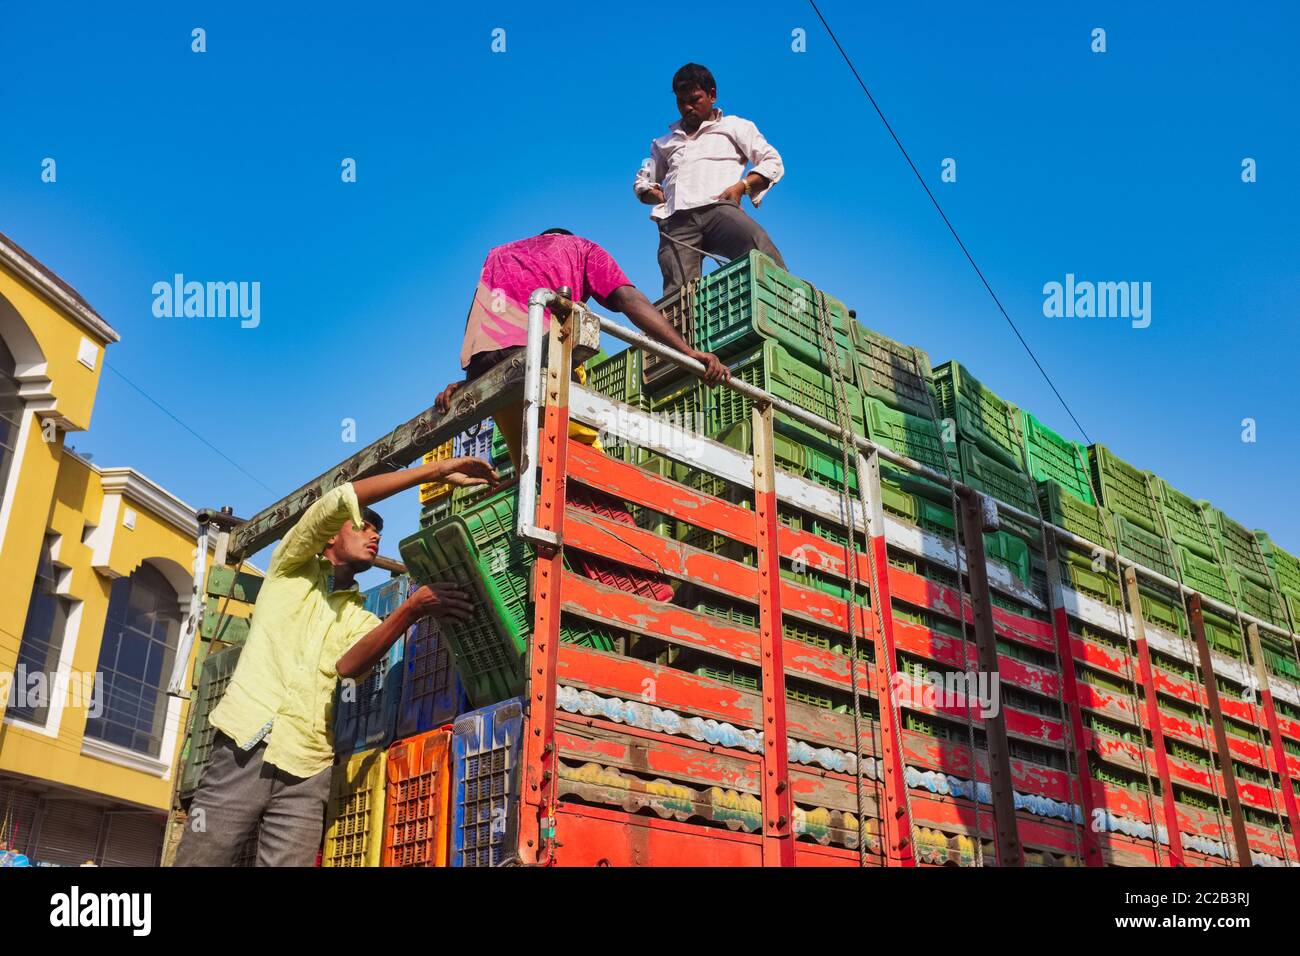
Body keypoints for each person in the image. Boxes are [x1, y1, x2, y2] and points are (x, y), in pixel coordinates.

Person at [174, 453, 497, 867]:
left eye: (378, 531)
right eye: (361, 526)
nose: (374, 535)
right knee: (201, 860)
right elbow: (340, 497)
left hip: (308, 767)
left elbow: (349, 667)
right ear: (329, 537)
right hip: (244, 745)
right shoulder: (289, 569)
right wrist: (436, 471)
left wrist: (411, 610)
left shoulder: (359, 615)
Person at [436, 228, 729, 467]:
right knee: (579, 464)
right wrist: (687, 352)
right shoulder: (581, 248)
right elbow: (627, 299)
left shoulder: (498, 253)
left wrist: (471, 382)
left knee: (532, 467)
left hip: (488, 369)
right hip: (540, 357)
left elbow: (483, 316)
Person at [634, 63, 787, 297]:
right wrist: (657, 194)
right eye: (681, 101)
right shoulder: (663, 142)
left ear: (712, 95)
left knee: (760, 249)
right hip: (677, 221)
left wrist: (742, 187)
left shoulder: (736, 126)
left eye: (695, 100)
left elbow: (773, 161)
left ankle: (793, 309)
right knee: (678, 294)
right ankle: (681, 334)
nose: (687, 107)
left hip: (719, 209)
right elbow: (642, 182)